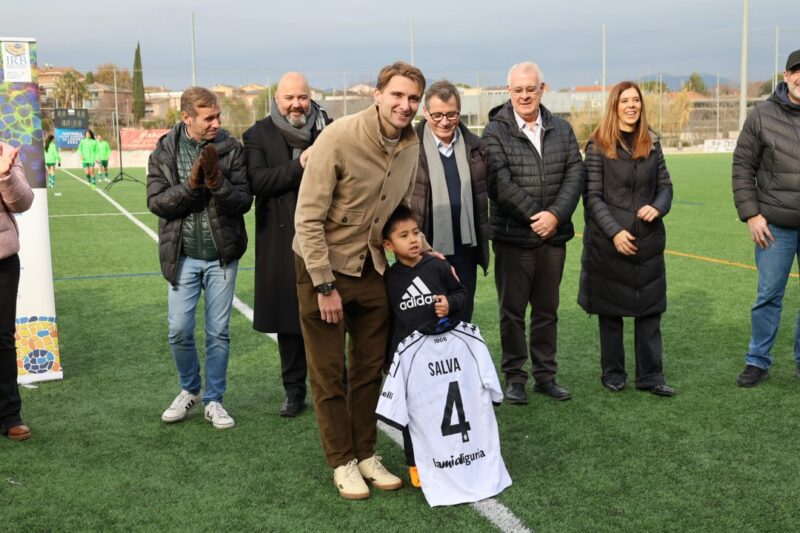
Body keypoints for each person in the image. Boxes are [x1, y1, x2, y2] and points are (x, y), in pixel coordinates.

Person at [293, 61, 426, 500]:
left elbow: (400, 212)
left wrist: (420, 247)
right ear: (377, 94)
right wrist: (324, 285)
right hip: (323, 268)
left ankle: (366, 452)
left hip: (372, 268)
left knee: (370, 369)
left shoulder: (411, 145)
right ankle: (342, 461)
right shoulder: (338, 137)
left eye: (412, 99)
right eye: (398, 96)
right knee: (329, 373)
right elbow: (308, 218)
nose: (405, 106)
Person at [147, 86, 252, 429]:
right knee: (178, 330)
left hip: (222, 256)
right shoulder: (165, 150)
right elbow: (157, 203)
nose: (216, 123)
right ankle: (190, 389)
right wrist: (192, 186)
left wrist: (216, 181)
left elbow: (242, 202)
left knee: (219, 332)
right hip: (183, 256)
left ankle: (214, 399)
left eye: (218, 116)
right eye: (209, 118)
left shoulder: (232, 148)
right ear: (187, 117)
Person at [482, 61, 584, 404]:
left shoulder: (563, 129)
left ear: (543, 89)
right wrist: (535, 216)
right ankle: (515, 378)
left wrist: (554, 216)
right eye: (518, 90)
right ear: (508, 91)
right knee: (511, 311)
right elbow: (499, 182)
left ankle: (545, 376)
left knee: (546, 310)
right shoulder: (494, 131)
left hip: (552, 238)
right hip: (514, 238)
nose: (525, 95)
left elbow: (575, 175)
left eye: (531, 88)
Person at [578, 81, 675, 397]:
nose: (632, 105)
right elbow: (592, 197)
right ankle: (613, 372)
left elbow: (666, 188)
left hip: (647, 242)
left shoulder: (652, 143)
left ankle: (651, 375)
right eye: (625, 101)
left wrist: (657, 207)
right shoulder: (597, 145)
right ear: (614, 106)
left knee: (649, 311)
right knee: (611, 312)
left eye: (636, 100)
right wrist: (615, 232)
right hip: (609, 244)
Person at [242, 72, 331, 418]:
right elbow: (258, 182)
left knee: (328, 316)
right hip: (280, 240)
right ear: (276, 100)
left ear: (310, 98)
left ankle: (331, 385)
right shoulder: (257, 134)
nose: (297, 104)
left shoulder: (328, 129)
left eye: (303, 98)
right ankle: (294, 391)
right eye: (290, 98)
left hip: (324, 237)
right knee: (289, 321)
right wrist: (300, 165)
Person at [382, 205, 467, 489]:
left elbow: (461, 294)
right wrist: (390, 361)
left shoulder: (438, 266)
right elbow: (389, 323)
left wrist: (450, 304)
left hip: (442, 357)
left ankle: (451, 456)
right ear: (388, 245)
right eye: (404, 235)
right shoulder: (389, 279)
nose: (413, 239)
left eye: (416, 232)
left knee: (443, 408)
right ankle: (415, 464)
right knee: (413, 414)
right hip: (409, 363)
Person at [733, 49, 800, 387]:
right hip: (774, 224)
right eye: (796, 71)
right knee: (769, 296)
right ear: (786, 75)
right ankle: (757, 360)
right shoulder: (762, 115)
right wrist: (752, 214)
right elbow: (742, 167)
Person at [411, 80, 489, 321]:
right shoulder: (409, 147)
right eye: (437, 115)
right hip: (426, 251)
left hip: (466, 249)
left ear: (459, 111)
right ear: (425, 113)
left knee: (461, 317)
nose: (444, 121)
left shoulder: (476, 147)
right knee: (427, 320)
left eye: (451, 114)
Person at [0, 142, 34, 441]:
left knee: (2, 338)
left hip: (3, 262)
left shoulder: (5, 152)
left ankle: (10, 415)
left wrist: (5, 175)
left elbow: (23, 203)